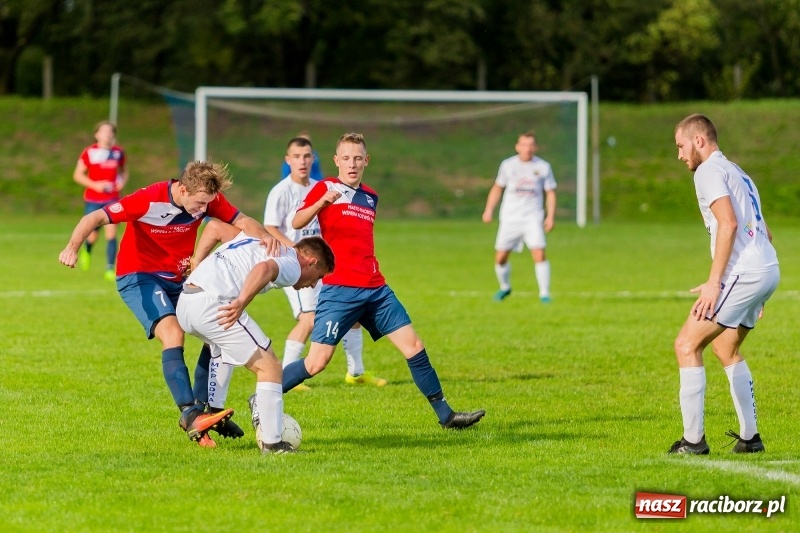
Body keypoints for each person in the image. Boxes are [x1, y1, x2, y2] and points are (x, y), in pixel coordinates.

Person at [58, 161, 279, 447]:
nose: (203, 210)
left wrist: (265, 238)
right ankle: (189, 414)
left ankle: (207, 411)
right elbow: (95, 218)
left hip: (178, 278)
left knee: (213, 331)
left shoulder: (206, 198)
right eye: (199, 203)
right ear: (183, 189)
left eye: (207, 204)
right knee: (173, 333)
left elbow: (243, 221)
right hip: (139, 277)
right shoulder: (147, 199)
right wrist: (72, 248)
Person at [282, 132, 485, 430]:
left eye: (357, 158)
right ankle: (265, 394)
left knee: (414, 345)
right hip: (340, 289)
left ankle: (447, 416)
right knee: (316, 363)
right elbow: (296, 222)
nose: (352, 164)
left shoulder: (370, 196)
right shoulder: (325, 187)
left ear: (366, 161)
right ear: (337, 160)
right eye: (346, 158)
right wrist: (321, 203)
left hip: (376, 288)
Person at [669, 114, 779, 455]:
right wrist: (761, 289)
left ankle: (693, 442)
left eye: (681, 146)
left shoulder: (709, 171)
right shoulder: (737, 172)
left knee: (687, 345)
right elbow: (765, 230)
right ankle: (750, 439)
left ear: (699, 140)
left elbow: (728, 223)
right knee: (725, 348)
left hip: (743, 273)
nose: (680, 155)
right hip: (766, 268)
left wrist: (714, 283)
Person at [177, 232, 334, 453]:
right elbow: (265, 269)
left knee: (221, 349)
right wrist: (241, 301)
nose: (314, 284)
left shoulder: (255, 239)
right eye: (318, 277)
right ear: (311, 262)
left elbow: (216, 227)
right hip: (212, 304)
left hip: (186, 302)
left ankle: (213, 412)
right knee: (270, 367)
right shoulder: (293, 263)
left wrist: (197, 263)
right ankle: (272, 444)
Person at [267, 136, 387, 388]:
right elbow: (271, 227)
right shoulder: (281, 191)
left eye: (307, 156)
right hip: (298, 266)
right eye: (297, 156)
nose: (303, 161)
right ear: (287, 160)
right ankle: (288, 375)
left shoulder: (320, 185)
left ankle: (356, 372)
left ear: (314, 159)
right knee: (309, 319)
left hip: (323, 267)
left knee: (353, 315)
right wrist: (297, 253)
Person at [482, 131, 557, 303]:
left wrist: (550, 216)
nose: (527, 148)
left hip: (532, 218)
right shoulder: (508, 165)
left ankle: (544, 294)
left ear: (536, 147)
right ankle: (505, 287)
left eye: (531, 145)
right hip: (510, 218)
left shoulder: (543, 167)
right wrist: (488, 210)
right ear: (517, 147)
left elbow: (550, 193)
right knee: (500, 257)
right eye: (524, 145)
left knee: (539, 253)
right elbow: (497, 188)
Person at [73, 120, 129, 281]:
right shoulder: (89, 152)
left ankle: (109, 268)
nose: (108, 134)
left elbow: (124, 172)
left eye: (110, 131)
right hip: (93, 199)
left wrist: (122, 182)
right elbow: (77, 175)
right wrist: (95, 185)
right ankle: (87, 249)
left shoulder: (119, 152)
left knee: (111, 233)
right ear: (96, 134)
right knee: (92, 233)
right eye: (104, 131)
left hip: (112, 200)